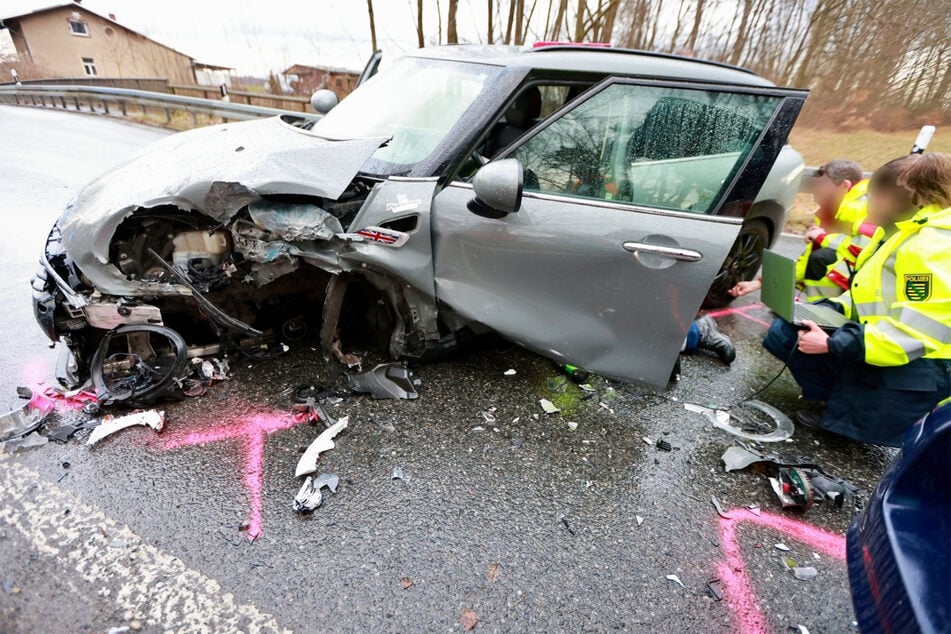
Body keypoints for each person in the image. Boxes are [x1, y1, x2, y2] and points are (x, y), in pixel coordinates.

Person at [762, 153, 951, 446]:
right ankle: (840, 401)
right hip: (888, 347)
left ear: (913, 195)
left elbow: (917, 334)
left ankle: (848, 414)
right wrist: (832, 308)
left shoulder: (930, 246)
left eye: (874, 197)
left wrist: (833, 343)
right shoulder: (901, 234)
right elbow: (868, 291)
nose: (868, 204)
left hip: (922, 366)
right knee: (787, 332)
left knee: (850, 428)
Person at [730, 159, 868, 299]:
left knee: (822, 257)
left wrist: (822, 238)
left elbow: (863, 251)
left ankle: (827, 309)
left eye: (823, 188)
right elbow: (806, 263)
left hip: (866, 297)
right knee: (820, 256)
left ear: (845, 186)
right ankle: (820, 308)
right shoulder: (836, 208)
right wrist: (759, 283)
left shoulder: (866, 208)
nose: (816, 194)